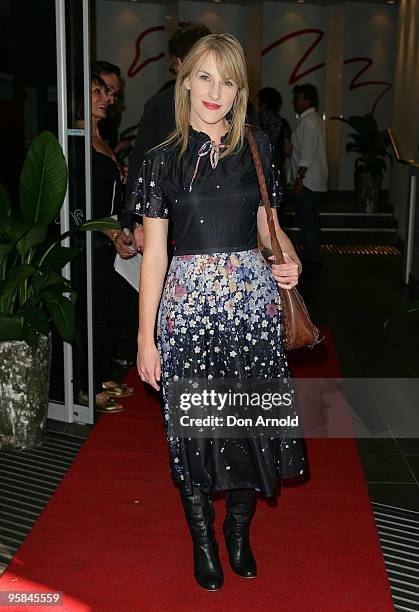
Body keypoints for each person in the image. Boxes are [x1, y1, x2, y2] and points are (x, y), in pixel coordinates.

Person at [130, 33, 307, 591]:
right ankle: (203, 539)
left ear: (239, 91)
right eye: (204, 76)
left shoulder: (255, 145)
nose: (215, 90)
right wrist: (145, 339)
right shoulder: (161, 162)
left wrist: (291, 263)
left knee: (246, 427)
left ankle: (237, 533)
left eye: (227, 81)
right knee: (195, 433)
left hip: (251, 313)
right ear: (185, 82)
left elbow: (270, 229)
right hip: (187, 317)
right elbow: (154, 256)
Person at [72, 74, 135, 413]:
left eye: (108, 92)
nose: (107, 98)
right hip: (91, 241)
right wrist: (109, 232)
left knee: (109, 312)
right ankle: (86, 386)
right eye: (98, 91)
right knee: (91, 315)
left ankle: (99, 374)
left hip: (108, 239)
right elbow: (80, 200)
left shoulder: (101, 138)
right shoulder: (75, 139)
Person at [290, 83, 328, 264]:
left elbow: (307, 154)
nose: (294, 102)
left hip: (308, 180)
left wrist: (299, 179)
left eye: (297, 98)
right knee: (311, 219)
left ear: (307, 100)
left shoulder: (308, 122)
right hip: (312, 179)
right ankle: (312, 254)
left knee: (307, 220)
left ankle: (312, 257)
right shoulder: (314, 119)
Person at [258, 86, 291, 173]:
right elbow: (288, 150)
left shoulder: (254, 120)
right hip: (276, 169)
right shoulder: (283, 123)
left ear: (263, 104)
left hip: (256, 169)